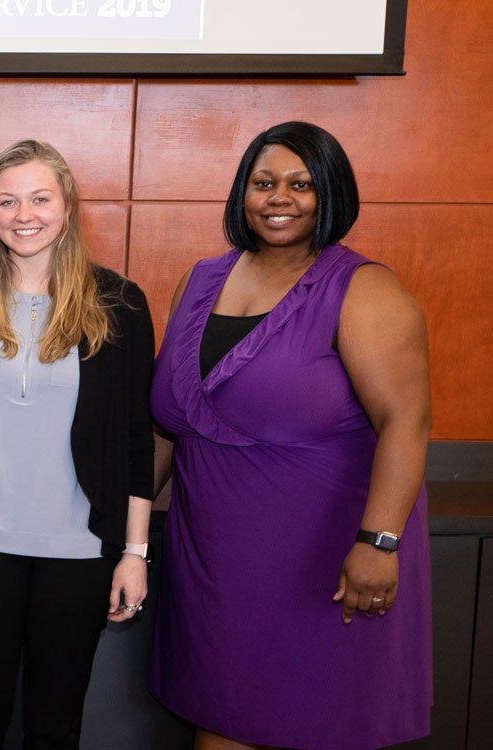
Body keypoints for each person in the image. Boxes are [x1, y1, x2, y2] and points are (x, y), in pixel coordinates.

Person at [149, 121, 431, 749]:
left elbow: (406, 422)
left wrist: (379, 543)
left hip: (324, 560)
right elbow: (170, 422)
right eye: (264, 182)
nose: (280, 197)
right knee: (219, 716)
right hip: (214, 561)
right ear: (241, 194)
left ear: (330, 193)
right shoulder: (201, 280)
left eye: (301, 184)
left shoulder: (363, 288)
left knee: (321, 720)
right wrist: (131, 530)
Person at [0, 140, 155, 749]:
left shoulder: (120, 304)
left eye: (39, 198)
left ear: (67, 206)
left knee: (55, 725)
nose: (23, 214)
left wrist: (135, 552)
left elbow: (138, 440)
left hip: (80, 552)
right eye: (7, 200)